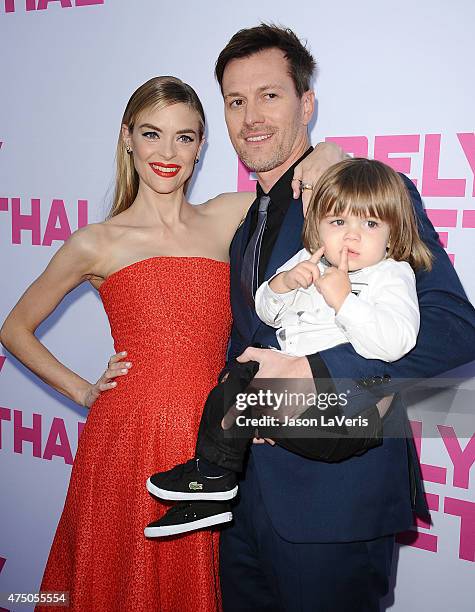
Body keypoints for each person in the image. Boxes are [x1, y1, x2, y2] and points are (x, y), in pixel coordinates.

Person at [0, 75, 342, 611]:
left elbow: (308, 178)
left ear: (201, 145)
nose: (167, 152)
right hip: (127, 441)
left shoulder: (231, 214)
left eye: (184, 137)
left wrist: (331, 153)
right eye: (152, 134)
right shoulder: (95, 242)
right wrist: (86, 393)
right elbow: (13, 328)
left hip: (212, 440)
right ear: (127, 137)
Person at [208, 24, 474, 612]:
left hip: (334, 504)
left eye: (270, 94)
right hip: (242, 507)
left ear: (307, 102)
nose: (251, 115)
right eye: (235, 100)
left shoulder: (371, 196)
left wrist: (318, 372)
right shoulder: (246, 225)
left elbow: (454, 326)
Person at [144, 157, 433, 537]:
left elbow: (396, 343)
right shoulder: (310, 259)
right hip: (294, 403)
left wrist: (346, 302)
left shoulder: (391, 274)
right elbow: (267, 311)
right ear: (318, 227)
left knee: (243, 408)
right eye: (338, 222)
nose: (351, 236)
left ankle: (218, 472)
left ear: (393, 234)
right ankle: (212, 484)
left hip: (346, 417)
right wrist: (283, 284)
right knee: (230, 384)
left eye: (370, 223)